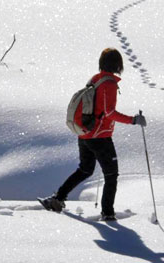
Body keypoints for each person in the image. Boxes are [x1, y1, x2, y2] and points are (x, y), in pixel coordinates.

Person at [39, 48, 146, 221]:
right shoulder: (108, 83)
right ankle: (108, 213)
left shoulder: (94, 80)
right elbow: (109, 112)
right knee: (111, 175)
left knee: (85, 170)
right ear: (118, 64)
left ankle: (57, 198)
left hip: (85, 134)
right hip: (100, 137)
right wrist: (133, 120)